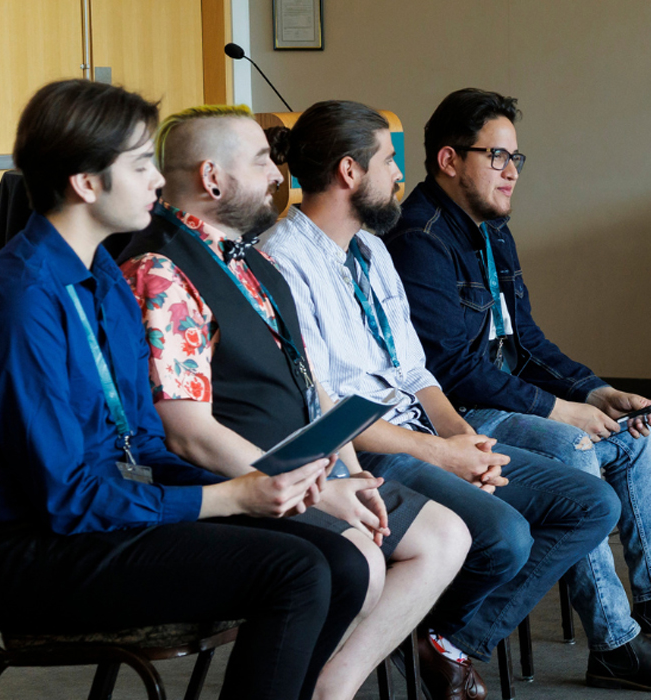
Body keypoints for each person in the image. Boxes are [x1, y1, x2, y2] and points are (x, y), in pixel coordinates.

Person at [0, 79, 371, 700]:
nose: (157, 181)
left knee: (342, 561)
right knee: (298, 571)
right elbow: (70, 500)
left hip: (106, 515)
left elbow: (142, 439)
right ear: (88, 185)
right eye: (142, 164)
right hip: (37, 555)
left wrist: (269, 485)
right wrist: (230, 499)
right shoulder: (19, 304)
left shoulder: (102, 279)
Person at [260, 99, 627, 699]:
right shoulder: (282, 260)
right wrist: (440, 456)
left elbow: (416, 371)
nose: (402, 177)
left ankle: (444, 640)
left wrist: (460, 437)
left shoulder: (372, 250)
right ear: (351, 173)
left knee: (590, 503)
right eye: (389, 162)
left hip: (421, 435)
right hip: (367, 453)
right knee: (506, 537)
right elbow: (325, 410)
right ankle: (394, 637)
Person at [384, 88, 651, 691]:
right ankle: (614, 642)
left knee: (630, 438)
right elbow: (449, 369)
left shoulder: (491, 229)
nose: (510, 173)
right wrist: (562, 411)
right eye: (496, 157)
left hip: (503, 399)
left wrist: (598, 392)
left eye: (516, 159)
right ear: (449, 160)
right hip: (458, 415)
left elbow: (524, 339)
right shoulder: (418, 238)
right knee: (571, 447)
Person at [116, 105, 471, 699]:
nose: (278, 176)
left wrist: (353, 473)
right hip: (236, 478)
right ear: (212, 178)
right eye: (261, 161)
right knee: (360, 557)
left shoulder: (251, 258)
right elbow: (189, 435)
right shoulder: (162, 269)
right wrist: (314, 487)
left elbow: (312, 382)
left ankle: (333, 686)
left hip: (312, 466)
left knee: (445, 537)